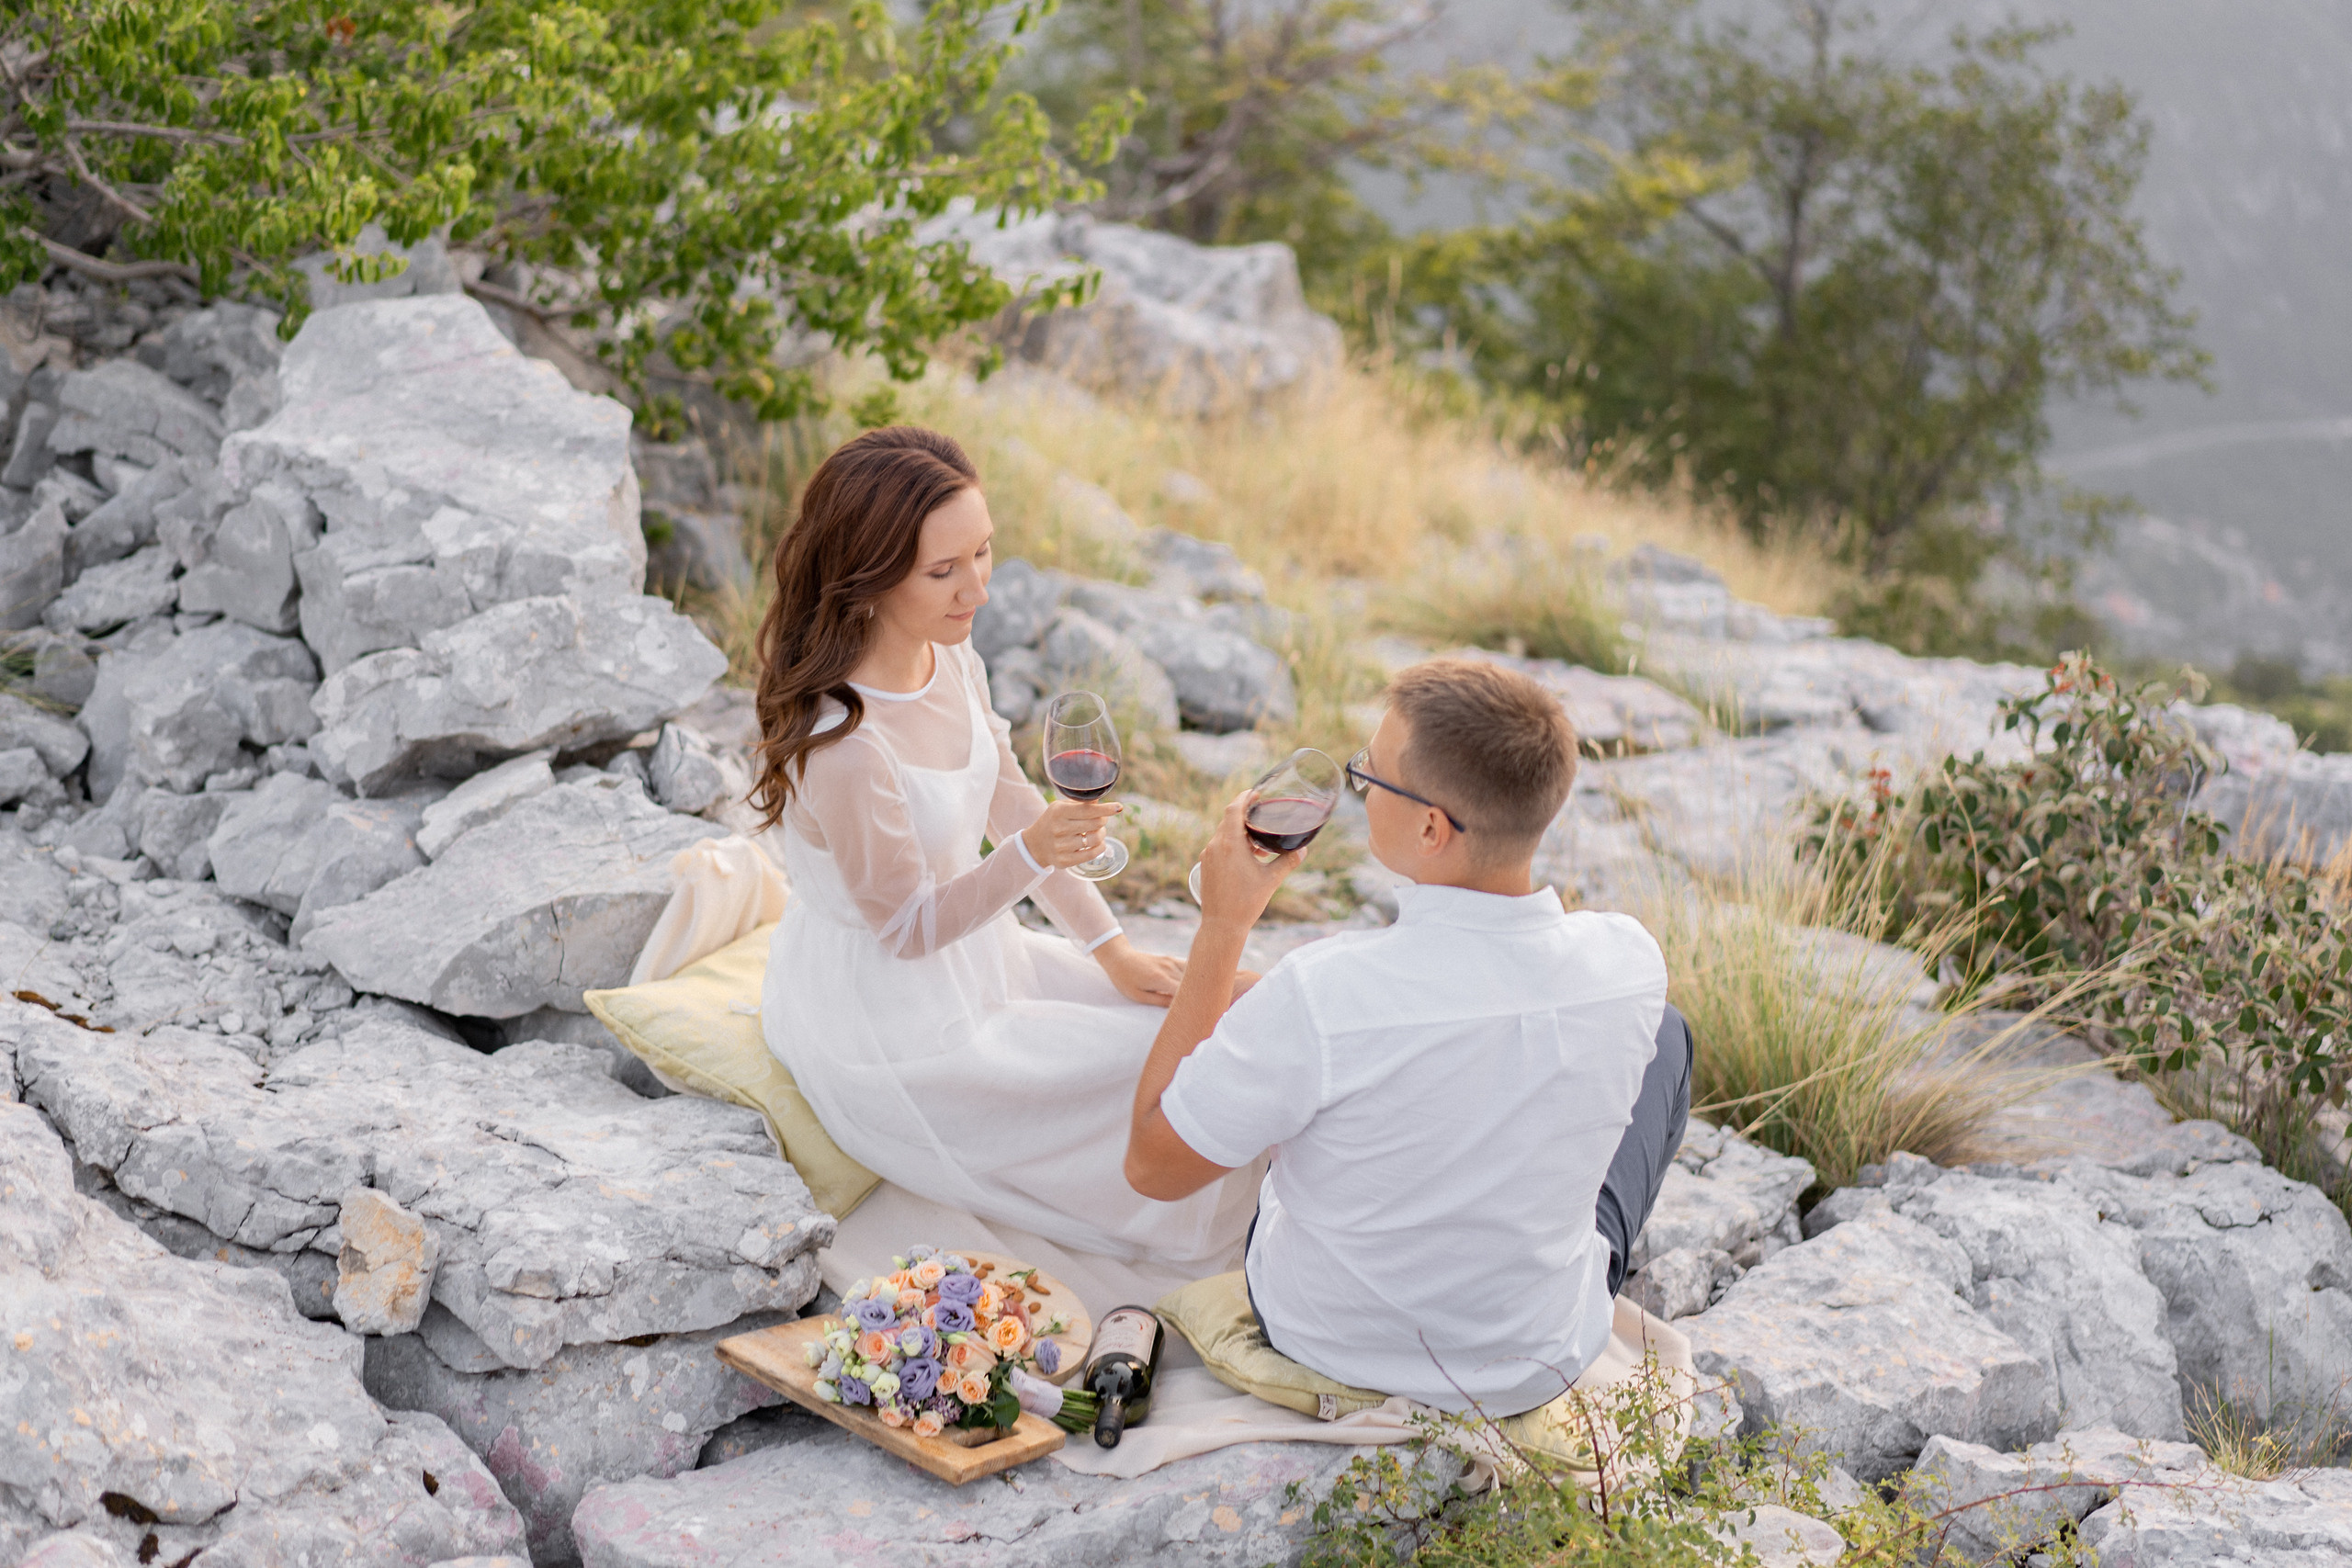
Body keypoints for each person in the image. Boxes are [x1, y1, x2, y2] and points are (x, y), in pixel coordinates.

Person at [1125, 659, 1692, 1413]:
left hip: (1324, 1338)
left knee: (1316, 1085)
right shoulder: (1629, 963)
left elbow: (1153, 1166)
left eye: (1370, 774)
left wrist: (1223, 926)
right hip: (1536, 1360)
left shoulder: (1323, 991)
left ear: (1431, 827)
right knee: (1668, 1036)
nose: (1358, 786)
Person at [753, 426, 1255, 1265]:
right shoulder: (846, 745)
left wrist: (1110, 948)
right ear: (868, 576)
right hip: (891, 1021)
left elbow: (1009, 795)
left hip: (984, 956)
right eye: (943, 570)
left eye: (983, 552)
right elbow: (907, 929)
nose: (978, 589)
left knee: (1210, 1011)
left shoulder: (949, 657)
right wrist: (1031, 853)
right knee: (1157, 1066)